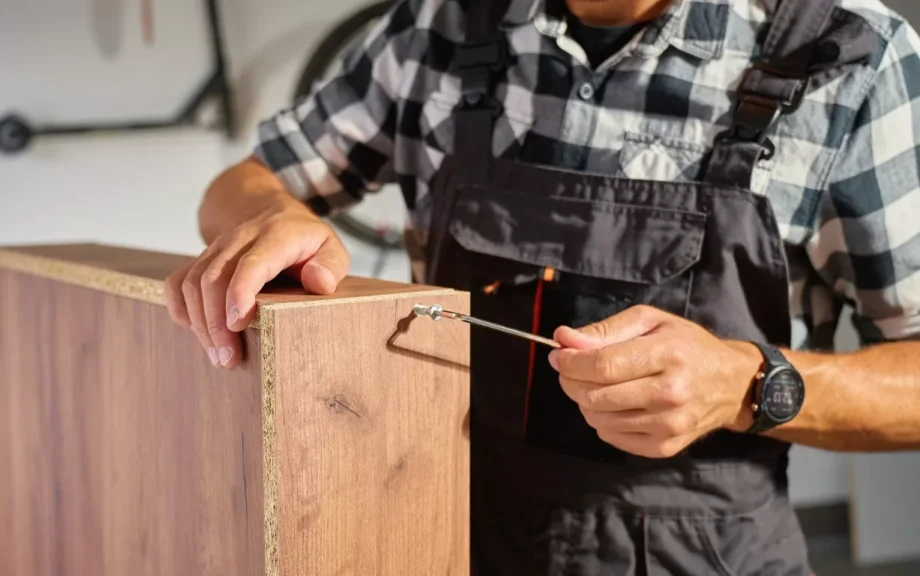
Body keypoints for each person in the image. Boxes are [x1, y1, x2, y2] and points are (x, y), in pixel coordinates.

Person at [165, 0, 920, 573]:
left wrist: (749, 385)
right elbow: (240, 184)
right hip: (443, 531)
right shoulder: (443, 25)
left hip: (707, 554)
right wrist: (274, 215)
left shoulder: (849, 56)